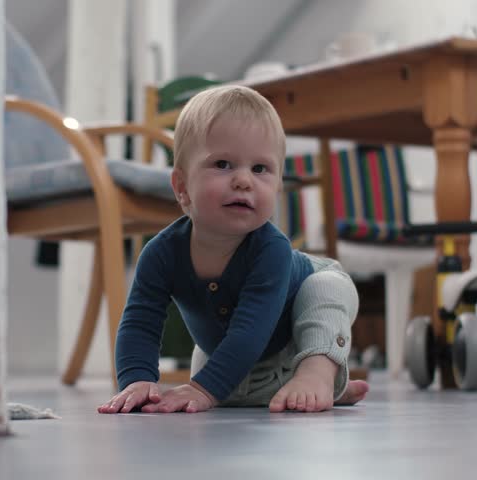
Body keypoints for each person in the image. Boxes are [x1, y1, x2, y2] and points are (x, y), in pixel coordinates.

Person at [98, 85, 369, 414]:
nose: (244, 180)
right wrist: (137, 380)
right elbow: (141, 321)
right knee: (214, 378)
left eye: (260, 169)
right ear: (182, 188)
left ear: (277, 186)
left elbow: (249, 331)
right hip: (239, 349)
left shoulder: (271, 250)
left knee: (324, 290)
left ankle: (319, 374)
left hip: (297, 320)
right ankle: (322, 389)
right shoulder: (161, 254)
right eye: (223, 164)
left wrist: (203, 390)